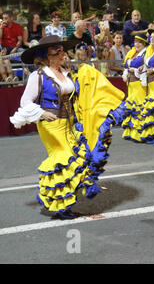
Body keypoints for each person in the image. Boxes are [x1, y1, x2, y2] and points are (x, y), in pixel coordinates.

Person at [9, 35, 126, 219]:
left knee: (78, 157)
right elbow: (25, 100)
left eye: (62, 50)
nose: (63, 53)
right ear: (47, 56)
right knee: (64, 158)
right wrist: (40, 113)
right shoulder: (38, 76)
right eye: (58, 51)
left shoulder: (66, 72)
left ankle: (62, 204)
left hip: (69, 123)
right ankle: (60, 206)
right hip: (50, 125)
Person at [121, 34, 149, 142]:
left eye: (139, 42)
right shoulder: (131, 53)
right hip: (130, 84)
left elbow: (145, 68)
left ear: (144, 43)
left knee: (139, 107)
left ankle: (140, 132)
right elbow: (125, 66)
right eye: (135, 42)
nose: (136, 44)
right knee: (131, 107)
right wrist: (125, 74)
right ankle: (131, 131)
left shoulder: (146, 53)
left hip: (139, 84)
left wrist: (134, 70)